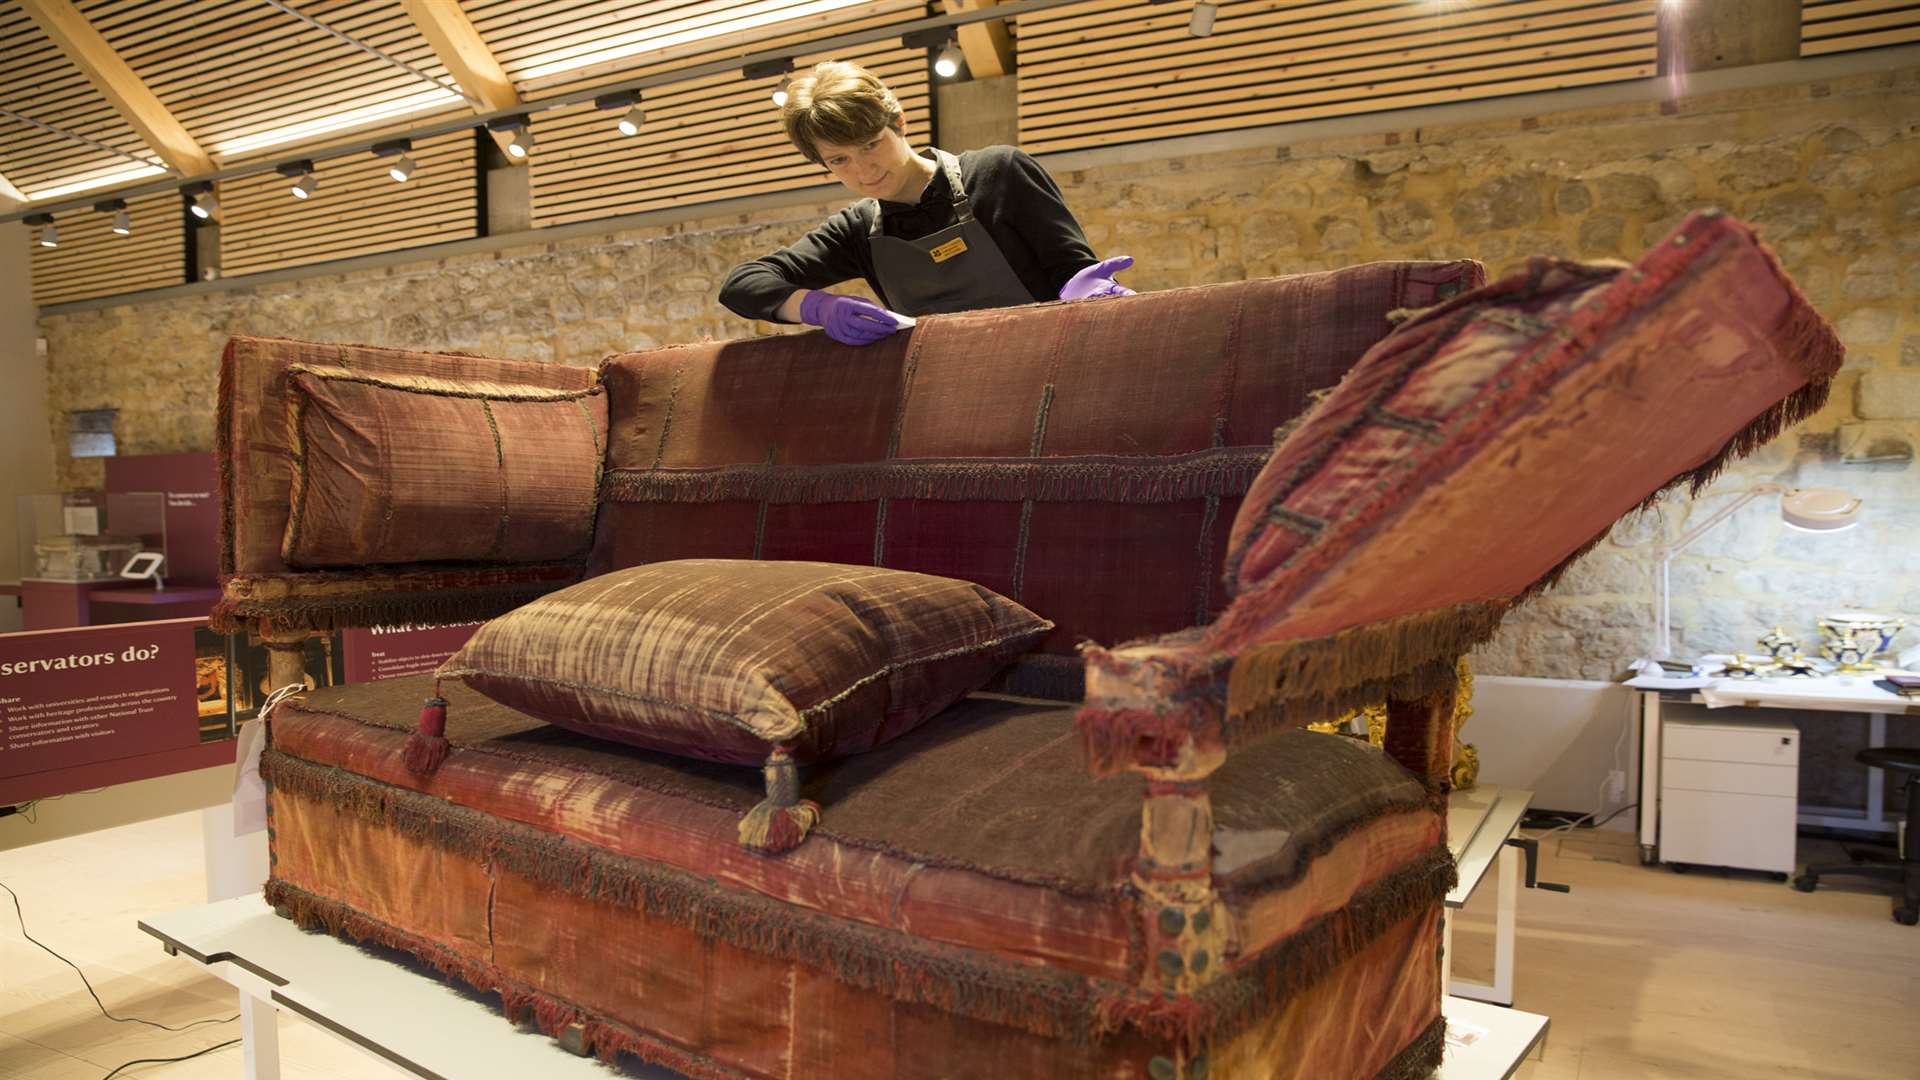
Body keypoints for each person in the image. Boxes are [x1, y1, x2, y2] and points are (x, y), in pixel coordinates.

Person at [718, 60, 1133, 345]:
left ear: (898, 121)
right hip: (946, 394)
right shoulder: (858, 230)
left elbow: (1076, 274)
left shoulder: (998, 173)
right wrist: (816, 307)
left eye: (870, 145)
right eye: (839, 160)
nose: (863, 170)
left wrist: (1086, 288)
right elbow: (743, 285)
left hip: (1046, 368)